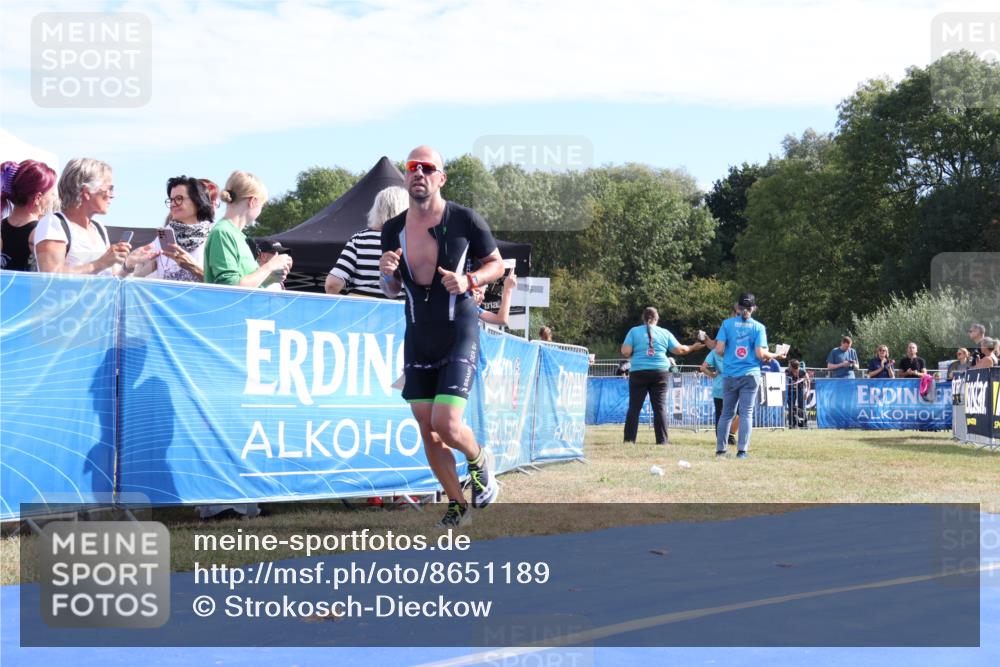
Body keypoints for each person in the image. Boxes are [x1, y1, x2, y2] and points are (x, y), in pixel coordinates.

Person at [378, 146, 505, 528]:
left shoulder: (465, 219)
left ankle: (480, 459)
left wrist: (470, 280)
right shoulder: (393, 228)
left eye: (427, 168)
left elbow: (496, 264)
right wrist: (387, 273)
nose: (419, 173)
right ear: (405, 176)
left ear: (441, 177)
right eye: (412, 168)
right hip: (418, 335)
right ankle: (456, 505)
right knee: (427, 429)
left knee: (447, 423)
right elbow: (389, 289)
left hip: (458, 331)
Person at [34, 158, 150, 276]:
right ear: (87, 192)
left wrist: (129, 263)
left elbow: (111, 278)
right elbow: (50, 275)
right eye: (109, 188)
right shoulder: (54, 224)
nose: (112, 195)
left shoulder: (98, 228)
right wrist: (100, 263)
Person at [621, 306, 706, 446]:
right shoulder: (664, 333)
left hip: (638, 372)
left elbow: (625, 351)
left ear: (643, 319)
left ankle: (629, 440)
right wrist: (692, 347)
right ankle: (662, 441)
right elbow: (679, 350)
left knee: (634, 408)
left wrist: (637, 352)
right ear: (657, 319)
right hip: (660, 373)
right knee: (659, 407)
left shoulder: (633, 331)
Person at [714, 292, 782, 458]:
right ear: (754, 308)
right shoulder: (758, 327)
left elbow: (719, 350)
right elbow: (760, 354)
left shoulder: (726, 324)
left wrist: (730, 357)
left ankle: (721, 450)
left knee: (726, 413)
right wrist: (775, 355)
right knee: (746, 413)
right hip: (750, 375)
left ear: (738, 307)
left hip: (729, 374)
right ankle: (742, 451)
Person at [203, 171, 292, 288]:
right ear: (253, 201)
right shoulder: (223, 233)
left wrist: (269, 279)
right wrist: (270, 266)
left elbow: (244, 285)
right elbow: (231, 288)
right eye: (262, 204)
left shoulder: (238, 236)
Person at [326, 186, 408, 298]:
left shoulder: (359, 239)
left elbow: (332, 284)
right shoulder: (412, 242)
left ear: (377, 209)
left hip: (361, 311)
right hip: (400, 312)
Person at [133, 176, 215, 282]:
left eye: (179, 199)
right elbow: (141, 275)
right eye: (171, 200)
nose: (172, 204)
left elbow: (222, 285)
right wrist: (133, 267)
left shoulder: (214, 237)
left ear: (197, 200)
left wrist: (194, 267)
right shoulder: (163, 236)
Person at [1, 159, 57, 271]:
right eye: (52, 194)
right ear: (38, 198)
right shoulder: (40, 233)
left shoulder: (1, 227)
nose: (53, 198)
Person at [700, 347, 738, 444]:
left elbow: (703, 368)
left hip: (718, 386)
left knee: (719, 414)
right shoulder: (733, 349)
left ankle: (721, 439)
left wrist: (712, 375)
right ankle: (730, 435)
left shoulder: (714, 352)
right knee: (736, 412)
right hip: (732, 384)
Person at [785, 359, 810, 428]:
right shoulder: (787, 371)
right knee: (791, 406)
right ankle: (791, 424)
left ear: (793, 367)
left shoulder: (802, 371)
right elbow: (784, 379)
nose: (788, 367)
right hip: (791, 390)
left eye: (789, 366)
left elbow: (808, 382)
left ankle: (803, 424)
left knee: (801, 406)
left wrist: (807, 393)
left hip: (801, 389)